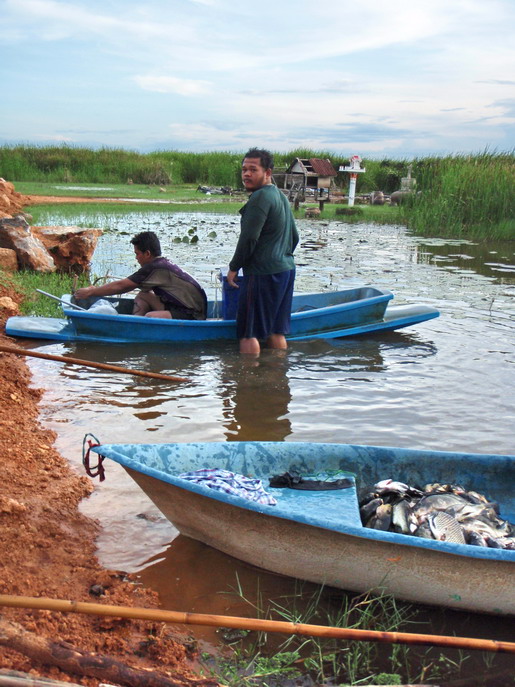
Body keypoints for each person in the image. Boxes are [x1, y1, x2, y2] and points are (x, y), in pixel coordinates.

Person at [227, 148, 299, 354]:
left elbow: (249, 238)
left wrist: (234, 267)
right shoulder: (280, 197)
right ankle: (277, 378)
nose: (246, 174)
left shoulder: (259, 198)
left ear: (268, 172)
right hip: (286, 270)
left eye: (253, 170)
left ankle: (248, 383)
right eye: (244, 170)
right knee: (276, 331)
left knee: (248, 332)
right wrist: (280, 255)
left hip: (262, 272)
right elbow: (295, 236)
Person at [74, 231, 207, 319]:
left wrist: (92, 292)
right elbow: (139, 287)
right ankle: (135, 322)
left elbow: (123, 286)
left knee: (151, 317)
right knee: (144, 294)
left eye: (137, 254)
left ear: (147, 254)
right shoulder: (161, 263)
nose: (136, 258)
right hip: (181, 306)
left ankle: (140, 327)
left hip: (192, 314)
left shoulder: (155, 267)